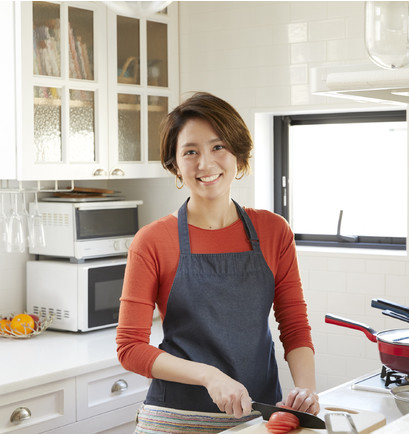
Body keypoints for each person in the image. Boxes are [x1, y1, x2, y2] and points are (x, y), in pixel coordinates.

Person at [116, 92, 318, 433]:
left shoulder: (274, 231)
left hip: (259, 417)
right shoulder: (152, 241)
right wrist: (209, 376)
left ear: (238, 155)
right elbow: (130, 348)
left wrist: (306, 391)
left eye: (218, 147)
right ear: (174, 164)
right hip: (175, 419)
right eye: (190, 152)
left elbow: (294, 326)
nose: (205, 164)